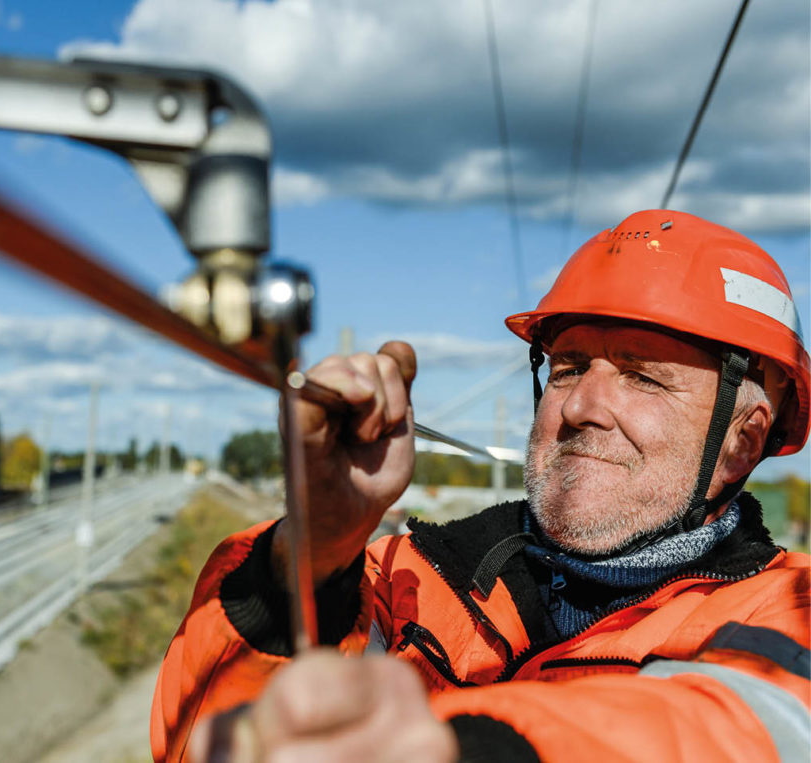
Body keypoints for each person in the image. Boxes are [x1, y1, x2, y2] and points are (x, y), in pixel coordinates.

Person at [151, 209, 811, 762]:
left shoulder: (789, 613)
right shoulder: (404, 582)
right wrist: (314, 548)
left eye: (642, 376)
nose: (579, 406)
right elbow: (203, 736)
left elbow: (730, 731)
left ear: (742, 439)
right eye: (569, 366)